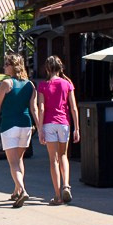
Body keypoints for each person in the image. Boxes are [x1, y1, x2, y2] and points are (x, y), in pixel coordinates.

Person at [0, 54, 39, 208]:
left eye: (7, 64)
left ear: (13, 66)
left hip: (9, 125)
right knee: (19, 159)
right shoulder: (30, 85)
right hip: (26, 124)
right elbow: (34, 109)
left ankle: (22, 189)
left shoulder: (6, 83)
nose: (4, 67)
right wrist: (40, 128)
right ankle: (16, 190)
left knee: (13, 162)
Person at [35, 56, 80, 205]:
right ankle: (66, 184)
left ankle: (57, 195)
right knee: (63, 156)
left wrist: (40, 129)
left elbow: (41, 108)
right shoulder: (67, 84)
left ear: (47, 69)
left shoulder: (43, 85)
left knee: (53, 160)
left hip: (49, 123)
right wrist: (77, 128)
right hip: (64, 123)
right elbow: (73, 107)